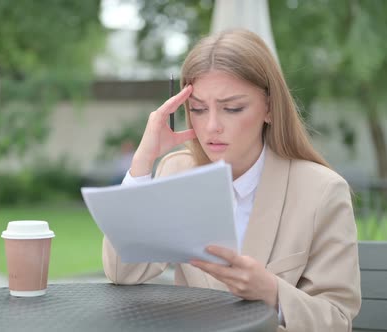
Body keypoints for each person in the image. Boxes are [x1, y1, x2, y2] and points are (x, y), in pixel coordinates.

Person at [102, 28, 361, 331]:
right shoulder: (178, 171)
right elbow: (123, 272)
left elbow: (337, 320)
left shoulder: (322, 192)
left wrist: (272, 293)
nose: (211, 126)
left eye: (232, 108)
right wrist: (142, 164)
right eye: (198, 109)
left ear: (269, 107)